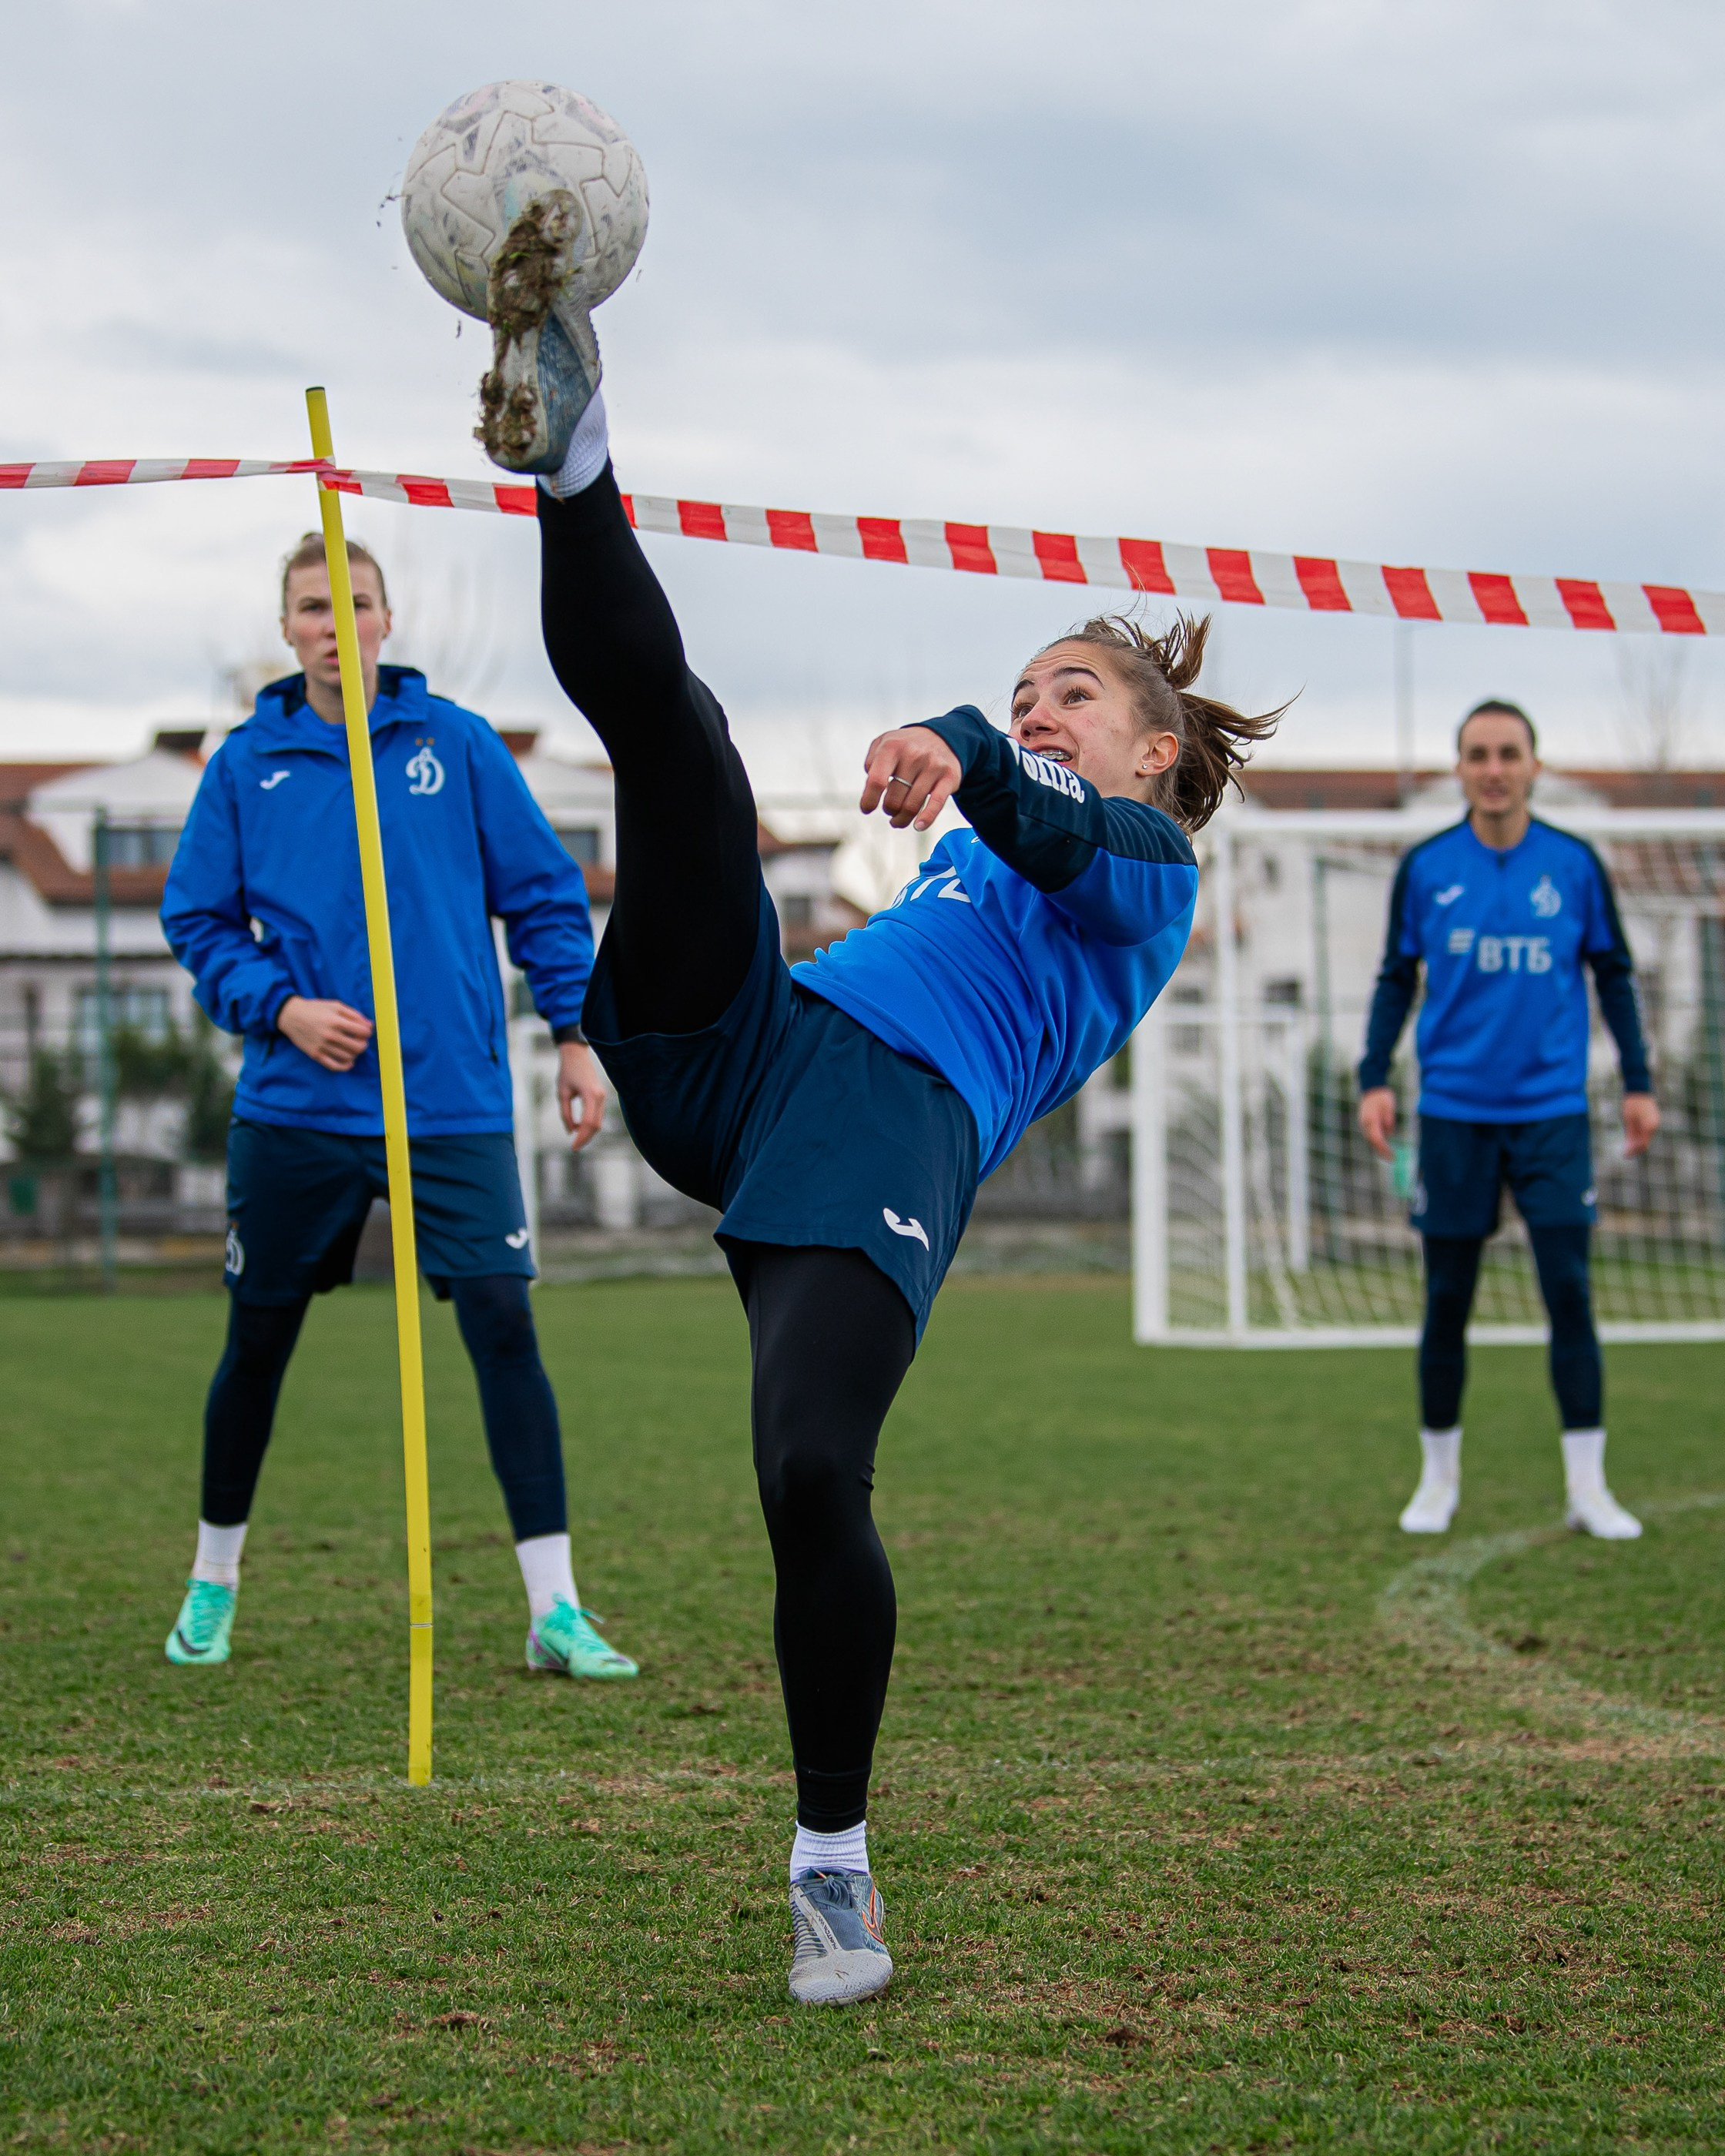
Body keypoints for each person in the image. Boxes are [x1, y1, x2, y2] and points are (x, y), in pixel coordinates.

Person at [470, 243, 1282, 2003]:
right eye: (1035, 681)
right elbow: (998, 812)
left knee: (809, 1473)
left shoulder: (1149, 869)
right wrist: (965, 768)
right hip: (755, 1044)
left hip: (882, 1130)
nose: (1049, 701)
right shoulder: (987, 824)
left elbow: (1070, 838)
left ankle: (830, 1865)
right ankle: (573, 438)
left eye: (1081, 690)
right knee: (682, 748)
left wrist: (981, 743)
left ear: (1152, 750)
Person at [157, 531, 638, 1684]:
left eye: (356, 602)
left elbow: (546, 899)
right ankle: (212, 1582)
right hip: (298, 1108)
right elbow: (198, 921)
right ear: (289, 629)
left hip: (454, 1103)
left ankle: (554, 1609)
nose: (337, 623)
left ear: (387, 619)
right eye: (314, 606)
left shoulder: (456, 746)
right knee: (257, 1343)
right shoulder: (244, 767)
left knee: (505, 1331)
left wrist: (573, 1035)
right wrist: (279, 1009)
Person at [1358, 698, 1658, 1541]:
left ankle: (1588, 1489)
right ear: (1458, 769)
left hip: (1551, 1115)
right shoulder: (1424, 867)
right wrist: (1373, 1076)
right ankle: (1437, 1480)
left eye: (1507, 754)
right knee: (1446, 1299)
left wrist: (1636, 1080)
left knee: (1569, 1292)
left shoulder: (1572, 864)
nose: (1492, 768)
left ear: (1531, 765)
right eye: (1477, 754)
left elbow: (1614, 974)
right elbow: (1393, 980)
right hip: (1451, 1114)